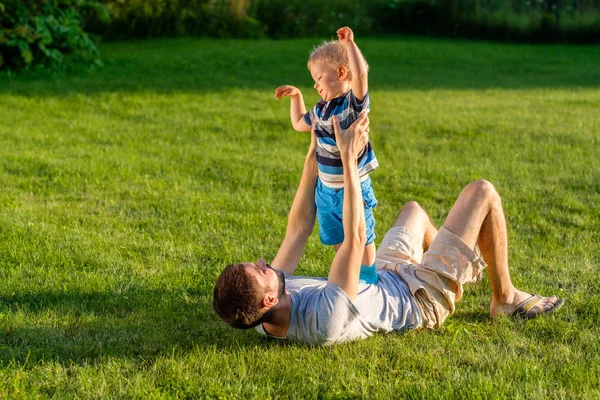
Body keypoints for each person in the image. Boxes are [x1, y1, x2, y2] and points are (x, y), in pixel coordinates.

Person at [213, 113, 564, 346]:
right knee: (482, 192)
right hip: (416, 299)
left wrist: (317, 146)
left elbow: (298, 228)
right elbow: (354, 235)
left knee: (413, 211)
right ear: (269, 299)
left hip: (381, 275)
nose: (264, 261)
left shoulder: (260, 314)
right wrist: (348, 159)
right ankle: (503, 298)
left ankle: (453, 266)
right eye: (260, 270)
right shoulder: (324, 320)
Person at [274, 26, 379, 284]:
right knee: (339, 239)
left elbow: (362, 74)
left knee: (361, 235)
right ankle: (346, 275)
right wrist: (296, 97)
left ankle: (368, 277)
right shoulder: (320, 110)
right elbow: (299, 122)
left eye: (319, 77)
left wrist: (349, 45)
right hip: (326, 191)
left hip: (352, 188)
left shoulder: (351, 105)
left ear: (341, 72)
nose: (315, 84)